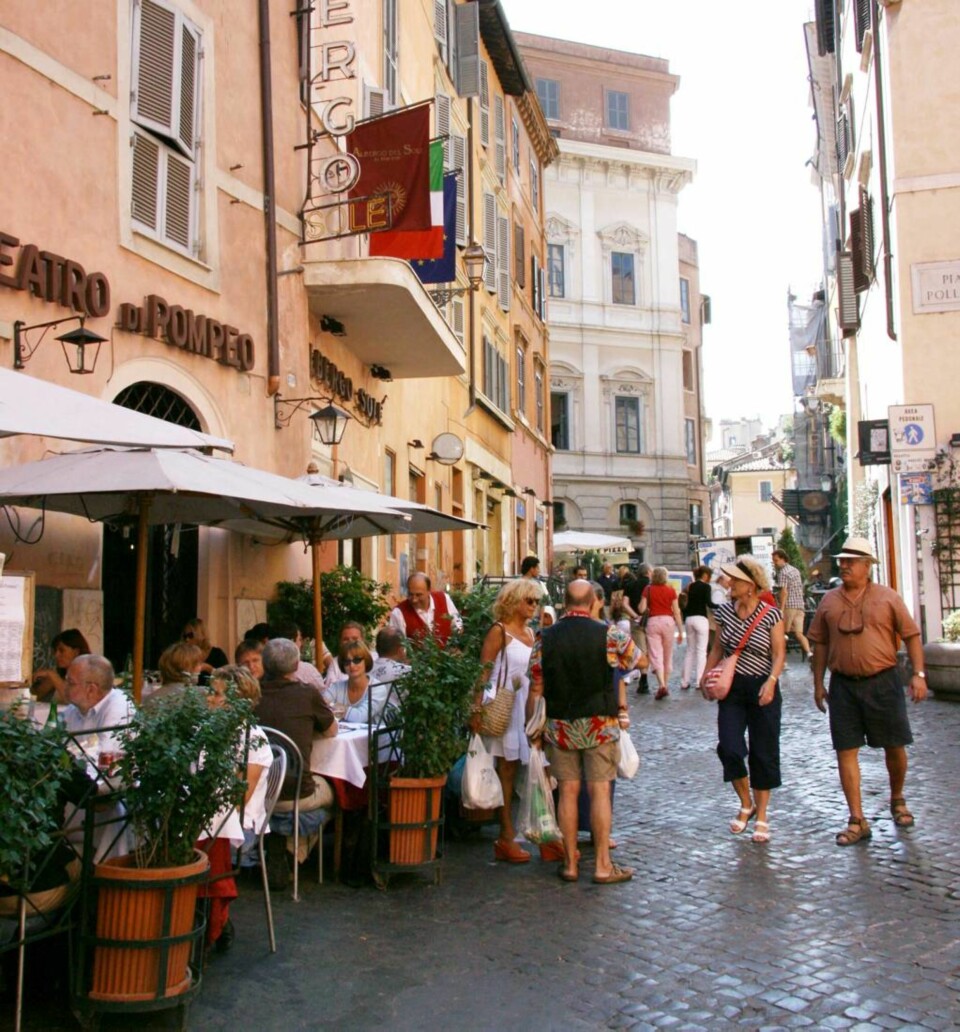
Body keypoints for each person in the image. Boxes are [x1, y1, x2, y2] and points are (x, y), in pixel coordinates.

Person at [808, 536, 926, 847]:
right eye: (842, 560)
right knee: (845, 750)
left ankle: (898, 798)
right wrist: (818, 683)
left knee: (895, 746)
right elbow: (820, 643)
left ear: (867, 566)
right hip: (843, 686)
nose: (843, 565)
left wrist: (919, 674)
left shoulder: (888, 598)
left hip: (883, 682)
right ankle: (857, 818)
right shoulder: (829, 601)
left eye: (851, 561)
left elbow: (912, 636)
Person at [526, 579, 641, 885]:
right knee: (600, 790)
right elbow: (635, 660)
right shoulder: (610, 634)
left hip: (560, 723)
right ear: (592, 602)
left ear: (564, 602)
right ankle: (603, 865)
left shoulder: (545, 638)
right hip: (600, 724)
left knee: (567, 791)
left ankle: (570, 863)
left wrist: (532, 729)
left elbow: (536, 686)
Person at [702, 556, 785, 844]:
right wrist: (705, 675)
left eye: (734, 579)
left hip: (763, 688)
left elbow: (779, 653)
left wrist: (772, 682)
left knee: (764, 752)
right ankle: (745, 801)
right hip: (732, 689)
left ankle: (761, 815)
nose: (729, 583)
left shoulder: (771, 614)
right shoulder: (724, 612)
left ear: (750, 585)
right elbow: (716, 649)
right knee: (730, 746)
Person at [198, 666, 273, 953]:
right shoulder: (205, 731)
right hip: (211, 816)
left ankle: (210, 917)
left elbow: (239, 799)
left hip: (241, 825)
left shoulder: (253, 741)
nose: (211, 700)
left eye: (218, 695)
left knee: (198, 843)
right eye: (211, 693)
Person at [255, 638, 338, 887]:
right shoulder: (306, 694)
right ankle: (294, 853)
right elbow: (332, 730)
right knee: (337, 794)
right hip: (295, 793)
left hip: (258, 791)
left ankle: (279, 846)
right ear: (296, 664)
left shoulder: (252, 694)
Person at [477, 579, 540, 864]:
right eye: (529, 601)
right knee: (506, 769)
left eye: (536, 602)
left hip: (527, 703)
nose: (534, 606)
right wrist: (476, 708)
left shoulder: (530, 633)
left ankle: (535, 830)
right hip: (504, 704)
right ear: (514, 601)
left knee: (533, 768)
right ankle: (506, 834)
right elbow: (484, 672)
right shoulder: (499, 631)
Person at [61, 654, 136, 861]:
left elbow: (110, 759)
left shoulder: (119, 706)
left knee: (112, 811)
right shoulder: (73, 710)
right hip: (78, 788)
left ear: (91, 689)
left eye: (70, 682)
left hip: (115, 792)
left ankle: (105, 873)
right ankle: (63, 862)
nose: (65, 685)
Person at [638, 566, 684, 700]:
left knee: (655, 654)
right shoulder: (671, 590)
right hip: (668, 622)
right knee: (667, 655)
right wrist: (680, 631)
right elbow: (677, 611)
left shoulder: (648, 589)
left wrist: (644, 605)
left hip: (653, 622)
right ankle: (666, 685)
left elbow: (641, 609)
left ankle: (661, 685)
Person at [325, 641, 392, 724]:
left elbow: (360, 717)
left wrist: (335, 708)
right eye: (346, 662)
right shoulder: (336, 687)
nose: (352, 665)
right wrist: (338, 709)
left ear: (366, 661)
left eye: (357, 660)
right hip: (345, 736)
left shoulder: (377, 688)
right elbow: (321, 706)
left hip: (373, 736)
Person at [387, 572, 463, 646]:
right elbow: (398, 648)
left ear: (429, 591)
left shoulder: (444, 599)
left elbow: (457, 624)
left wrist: (456, 645)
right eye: (410, 594)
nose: (414, 599)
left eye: (418, 595)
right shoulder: (398, 613)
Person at [772, 549, 814, 661]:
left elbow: (784, 592)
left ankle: (781, 660)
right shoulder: (795, 570)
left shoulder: (783, 572)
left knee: (782, 633)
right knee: (799, 634)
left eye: (776, 560)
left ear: (782, 559)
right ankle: (809, 653)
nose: (774, 563)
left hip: (789, 605)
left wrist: (781, 608)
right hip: (800, 605)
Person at [31, 628, 91, 704]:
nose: (56, 655)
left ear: (76, 652)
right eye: (55, 651)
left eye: (61, 651)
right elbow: (33, 696)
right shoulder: (60, 677)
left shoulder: (90, 676)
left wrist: (52, 675)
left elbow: (74, 703)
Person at [680, 566, 714, 691]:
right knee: (701, 652)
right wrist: (721, 606)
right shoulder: (706, 587)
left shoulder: (690, 586)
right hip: (701, 619)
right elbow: (709, 603)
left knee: (690, 651)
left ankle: (684, 681)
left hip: (689, 619)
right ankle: (699, 681)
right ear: (705, 575)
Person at [143, 641, 204, 710]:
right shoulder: (200, 696)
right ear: (187, 668)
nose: (201, 668)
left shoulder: (150, 699)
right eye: (198, 664)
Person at [271, 620, 325, 690]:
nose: (301, 644)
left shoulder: (264, 669)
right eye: (299, 640)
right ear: (291, 643)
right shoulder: (307, 670)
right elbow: (322, 693)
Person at [323, 622, 377, 688]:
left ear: (363, 640)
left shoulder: (375, 657)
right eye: (346, 639)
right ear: (340, 642)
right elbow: (330, 689)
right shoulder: (335, 663)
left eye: (355, 639)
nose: (350, 642)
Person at [369, 626, 410, 709]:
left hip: (365, 719)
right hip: (396, 720)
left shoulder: (364, 670)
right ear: (401, 650)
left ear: (377, 648)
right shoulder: (406, 672)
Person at [625, 563, 651, 693]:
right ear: (648, 572)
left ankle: (643, 679)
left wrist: (635, 615)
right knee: (652, 650)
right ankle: (654, 680)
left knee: (641, 650)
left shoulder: (630, 585)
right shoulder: (652, 585)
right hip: (651, 620)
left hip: (636, 621)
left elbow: (624, 604)